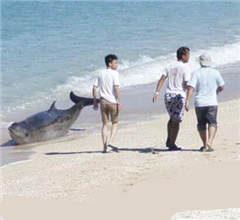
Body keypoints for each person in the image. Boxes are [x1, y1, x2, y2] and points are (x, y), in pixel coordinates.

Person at [153, 47, 191, 151]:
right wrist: (188, 97)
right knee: (176, 120)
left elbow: (162, 79)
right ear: (183, 56)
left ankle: (169, 139)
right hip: (178, 96)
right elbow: (187, 84)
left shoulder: (169, 65)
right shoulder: (185, 67)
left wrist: (156, 92)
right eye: (188, 55)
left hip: (168, 95)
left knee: (171, 118)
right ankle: (172, 144)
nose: (189, 57)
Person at [185, 53, 225, 152]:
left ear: (200, 63)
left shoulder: (196, 73)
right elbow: (222, 86)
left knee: (201, 124)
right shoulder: (215, 72)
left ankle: (204, 144)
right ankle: (210, 142)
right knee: (212, 123)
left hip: (200, 103)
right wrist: (217, 91)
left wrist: (187, 100)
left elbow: (191, 88)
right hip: (212, 102)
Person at [92, 54, 122, 153]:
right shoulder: (115, 73)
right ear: (110, 64)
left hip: (103, 101)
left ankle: (104, 147)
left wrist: (95, 101)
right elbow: (116, 88)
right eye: (115, 62)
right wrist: (119, 101)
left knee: (105, 124)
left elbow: (94, 88)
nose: (116, 65)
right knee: (115, 122)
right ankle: (110, 141)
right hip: (112, 101)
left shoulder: (100, 73)